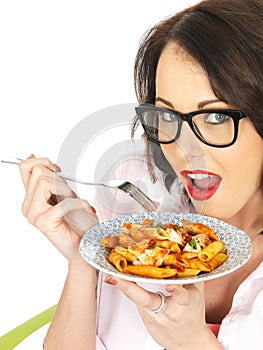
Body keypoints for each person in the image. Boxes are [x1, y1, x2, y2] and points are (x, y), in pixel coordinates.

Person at [18, 0, 263, 349]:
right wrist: (85, 259)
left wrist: (192, 343)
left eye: (216, 117)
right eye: (167, 116)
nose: (184, 149)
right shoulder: (131, 204)